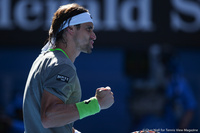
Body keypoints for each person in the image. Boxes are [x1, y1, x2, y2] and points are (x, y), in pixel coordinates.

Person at [23, 3, 114, 133]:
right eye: (88, 29)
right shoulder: (63, 66)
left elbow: (52, 124)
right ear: (71, 28)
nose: (94, 36)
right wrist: (97, 104)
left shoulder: (43, 59)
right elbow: (49, 118)